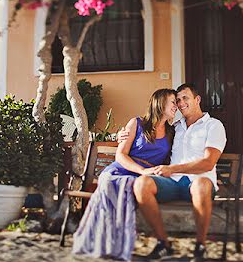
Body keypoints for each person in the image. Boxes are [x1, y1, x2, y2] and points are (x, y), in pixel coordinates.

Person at [121, 83, 227, 262]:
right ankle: (164, 244)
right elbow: (151, 131)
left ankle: (200, 247)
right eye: (177, 100)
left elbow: (208, 163)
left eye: (185, 98)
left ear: (197, 99)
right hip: (172, 182)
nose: (180, 103)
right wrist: (122, 134)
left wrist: (172, 168)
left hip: (199, 181)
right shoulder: (175, 127)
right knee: (141, 184)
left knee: (200, 185)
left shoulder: (213, 125)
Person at [72, 88, 178, 261]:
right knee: (111, 182)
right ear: (160, 102)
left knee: (130, 186)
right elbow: (121, 155)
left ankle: (116, 243)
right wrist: (142, 170)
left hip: (144, 177)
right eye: (173, 102)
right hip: (123, 169)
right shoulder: (136, 123)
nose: (176, 106)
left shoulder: (172, 132)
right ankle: (106, 241)